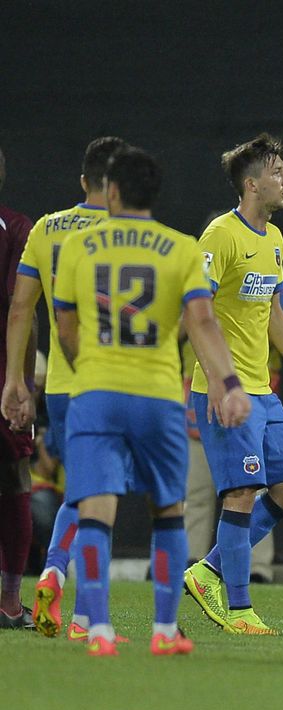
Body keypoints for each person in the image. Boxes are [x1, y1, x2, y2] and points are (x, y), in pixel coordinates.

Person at [52, 146, 251, 656]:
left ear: (111, 191)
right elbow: (202, 323)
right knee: (167, 512)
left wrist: (90, 368)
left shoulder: (78, 245)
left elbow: (66, 326)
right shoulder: (181, 248)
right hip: (159, 396)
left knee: (95, 512)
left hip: (96, 393)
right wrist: (229, 385)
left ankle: (97, 630)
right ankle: (163, 632)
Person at [182, 133, 283, 636]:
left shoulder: (274, 240)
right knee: (242, 491)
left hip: (262, 392)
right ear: (251, 184)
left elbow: (271, 315)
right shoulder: (220, 236)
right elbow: (195, 313)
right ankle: (241, 610)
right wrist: (221, 385)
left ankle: (209, 571)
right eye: (277, 173)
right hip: (226, 391)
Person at [3, 136, 125, 639]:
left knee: (82, 487)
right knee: (102, 495)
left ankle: (56, 575)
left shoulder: (47, 228)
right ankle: (83, 612)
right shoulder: (129, 231)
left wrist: (14, 380)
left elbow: (19, 308)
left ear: (83, 181)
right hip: (113, 381)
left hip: (60, 385)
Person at [0, 145, 36, 628]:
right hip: (2, 379)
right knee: (14, 487)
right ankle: (9, 602)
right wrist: (20, 383)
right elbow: (20, 311)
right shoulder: (16, 228)